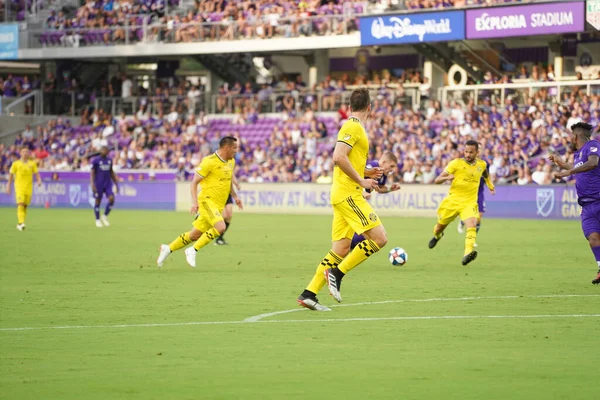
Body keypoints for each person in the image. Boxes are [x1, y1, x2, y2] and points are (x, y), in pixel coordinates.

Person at [297, 88, 388, 311]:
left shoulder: (354, 127)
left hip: (343, 193)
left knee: (340, 249)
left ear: (349, 107)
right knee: (379, 238)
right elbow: (338, 157)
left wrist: (367, 173)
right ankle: (336, 274)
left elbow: (347, 160)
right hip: (348, 194)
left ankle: (308, 293)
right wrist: (362, 180)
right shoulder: (353, 126)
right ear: (370, 107)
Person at [156, 137, 243, 268]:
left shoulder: (231, 162)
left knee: (194, 235)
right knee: (220, 227)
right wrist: (194, 203)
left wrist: (235, 197)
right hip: (206, 202)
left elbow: (228, 180)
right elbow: (194, 183)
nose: (236, 151)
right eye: (234, 148)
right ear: (227, 148)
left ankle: (167, 248)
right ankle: (192, 250)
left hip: (218, 205)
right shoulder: (209, 161)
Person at [428, 140, 495, 265]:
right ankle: (437, 236)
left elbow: (485, 174)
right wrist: (447, 178)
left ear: (477, 152)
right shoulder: (456, 163)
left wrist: (490, 185)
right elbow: (437, 180)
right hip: (453, 202)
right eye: (466, 151)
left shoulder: (482, 164)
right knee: (439, 227)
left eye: (471, 152)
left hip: (469, 203)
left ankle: (468, 253)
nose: (468, 154)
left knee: (472, 223)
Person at [549, 122, 600, 284]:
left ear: (575, 136)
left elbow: (593, 163)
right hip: (586, 205)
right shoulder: (578, 155)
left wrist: (568, 172)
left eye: (571, 136)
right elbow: (580, 167)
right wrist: (562, 164)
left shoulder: (593, 145)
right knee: (592, 237)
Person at [350, 151, 401, 250]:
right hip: (353, 199)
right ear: (384, 162)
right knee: (371, 232)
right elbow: (355, 176)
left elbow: (380, 188)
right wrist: (361, 192)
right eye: (391, 166)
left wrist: (390, 189)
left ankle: (344, 251)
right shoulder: (372, 166)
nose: (392, 170)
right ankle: (346, 250)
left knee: (367, 233)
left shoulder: (383, 173)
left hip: (360, 202)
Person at [7, 148, 41, 231]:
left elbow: (36, 173)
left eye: (26, 152)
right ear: (20, 153)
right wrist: (8, 185)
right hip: (19, 187)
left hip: (28, 188)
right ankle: (21, 222)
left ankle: (20, 223)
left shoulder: (32, 164)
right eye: (23, 152)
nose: (25, 153)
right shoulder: (15, 164)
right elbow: (11, 175)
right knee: (20, 204)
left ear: (28, 153)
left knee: (25, 206)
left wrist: (39, 180)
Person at [457, 163, 492, 246]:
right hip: (470, 193)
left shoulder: (485, 164)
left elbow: (487, 177)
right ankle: (469, 234)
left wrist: (491, 186)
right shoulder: (468, 163)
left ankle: (471, 235)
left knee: (479, 216)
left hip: (479, 193)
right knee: (472, 216)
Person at [91, 146, 119, 228]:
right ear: (101, 151)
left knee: (112, 199)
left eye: (107, 150)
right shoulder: (96, 160)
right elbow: (92, 172)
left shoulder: (109, 160)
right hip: (98, 184)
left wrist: (116, 183)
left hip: (108, 184)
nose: (106, 151)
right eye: (104, 150)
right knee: (98, 201)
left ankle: (105, 216)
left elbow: (111, 172)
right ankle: (97, 220)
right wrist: (92, 184)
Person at [215, 175, 241, 246]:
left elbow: (231, 174)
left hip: (228, 193)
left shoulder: (229, 164)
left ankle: (220, 238)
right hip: (219, 194)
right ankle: (215, 234)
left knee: (229, 216)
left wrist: (237, 184)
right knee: (224, 216)